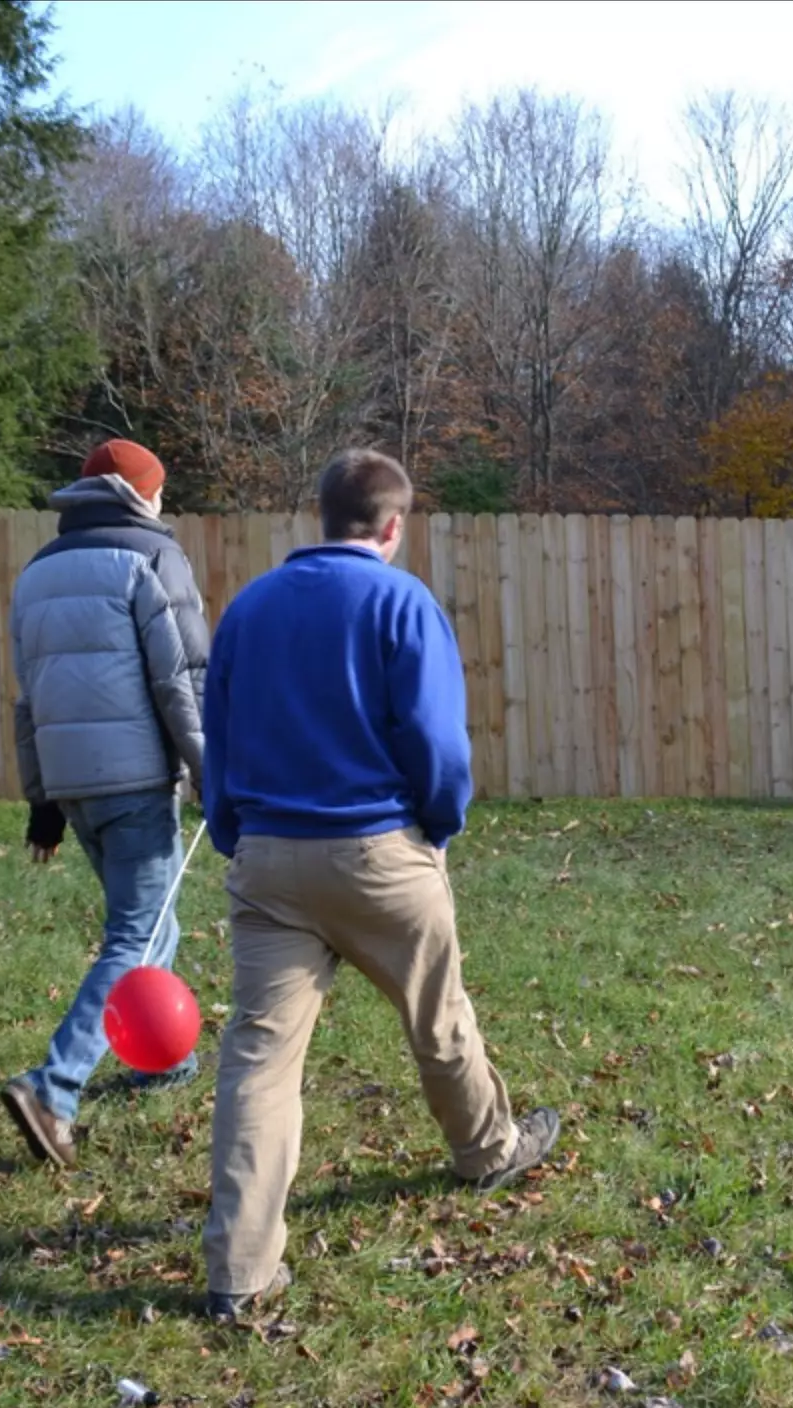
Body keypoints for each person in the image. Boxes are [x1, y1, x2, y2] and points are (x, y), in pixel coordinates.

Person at [199, 447, 557, 1320]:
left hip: (270, 862)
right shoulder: (403, 602)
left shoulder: (249, 608)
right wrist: (439, 825)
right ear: (394, 527)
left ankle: (240, 1273)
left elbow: (220, 734)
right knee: (437, 1020)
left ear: (321, 517)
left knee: (259, 1060)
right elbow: (436, 742)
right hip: (380, 856)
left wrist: (235, 830)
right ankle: (486, 1151)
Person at [2, 438, 209, 1167]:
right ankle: (53, 1090)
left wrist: (42, 805)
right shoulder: (153, 556)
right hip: (135, 782)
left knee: (154, 922)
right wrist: (213, 771)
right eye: (159, 490)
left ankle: (163, 1061)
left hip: (72, 787)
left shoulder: (38, 571)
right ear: (141, 494)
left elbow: (29, 702)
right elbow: (181, 678)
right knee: (136, 935)